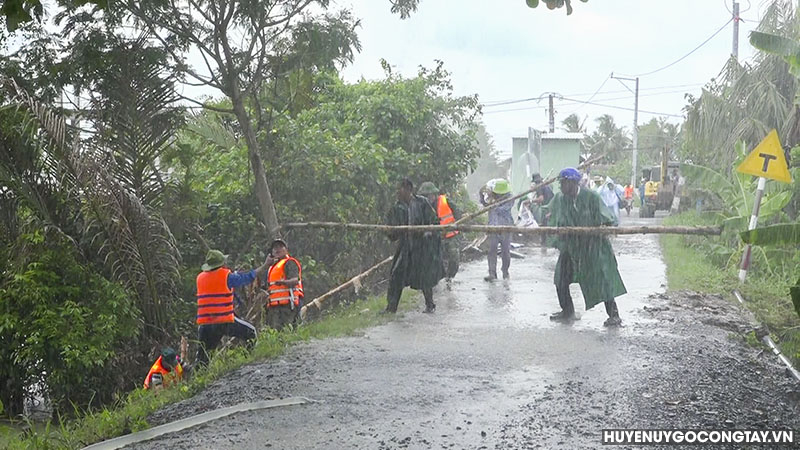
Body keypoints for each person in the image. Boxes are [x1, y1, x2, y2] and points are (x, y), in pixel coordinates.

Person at [548, 168, 626, 327]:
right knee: (561, 278)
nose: (561, 187)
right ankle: (567, 311)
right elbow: (552, 215)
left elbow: (608, 218)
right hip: (571, 246)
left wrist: (604, 226)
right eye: (560, 184)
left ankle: (614, 314)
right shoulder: (561, 199)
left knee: (601, 277)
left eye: (563, 183)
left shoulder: (592, 197)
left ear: (572, 183)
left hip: (592, 245)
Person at [195, 249, 268, 365]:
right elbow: (247, 278)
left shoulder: (200, 278)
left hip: (205, 323)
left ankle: (199, 379)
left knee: (202, 358)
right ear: (222, 264)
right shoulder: (227, 276)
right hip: (223, 321)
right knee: (251, 333)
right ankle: (247, 361)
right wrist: (265, 266)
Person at [385, 178, 444, 313]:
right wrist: (390, 231)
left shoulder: (422, 203)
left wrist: (426, 233)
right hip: (405, 247)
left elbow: (434, 223)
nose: (397, 193)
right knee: (396, 276)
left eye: (400, 189)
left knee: (424, 277)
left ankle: (430, 304)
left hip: (421, 246)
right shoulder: (397, 208)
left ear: (408, 190)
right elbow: (392, 234)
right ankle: (391, 308)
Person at [418, 182, 461, 289]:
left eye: (430, 195)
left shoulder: (445, 201)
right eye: (426, 195)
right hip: (435, 237)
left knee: (454, 256)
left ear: (435, 194)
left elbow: (458, 214)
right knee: (434, 258)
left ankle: (450, 277)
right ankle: (435, 280)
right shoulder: (422, 205)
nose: (429, 197)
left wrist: (456, 223)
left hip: (451, 235)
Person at [264, 239, 303, 330]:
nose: (277, 249)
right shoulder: (271, 267)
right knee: (275, 332)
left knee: (286, 331)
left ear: (286, 249)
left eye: (280, 247)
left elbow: (295, 280)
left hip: (288, 306)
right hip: (274, 307)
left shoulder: (289, 262)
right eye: (275, 248)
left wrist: (283, 282)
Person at [479, 178, 513, 281]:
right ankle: (492, 273)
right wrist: (482, 195)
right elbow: (485, 204)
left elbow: (502, 210)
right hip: (493, 227)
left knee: (506, 252)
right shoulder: (491, 197)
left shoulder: (510, 198)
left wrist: (494, 202)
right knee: (492, 250)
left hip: (506, 228)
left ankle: (505, 271)